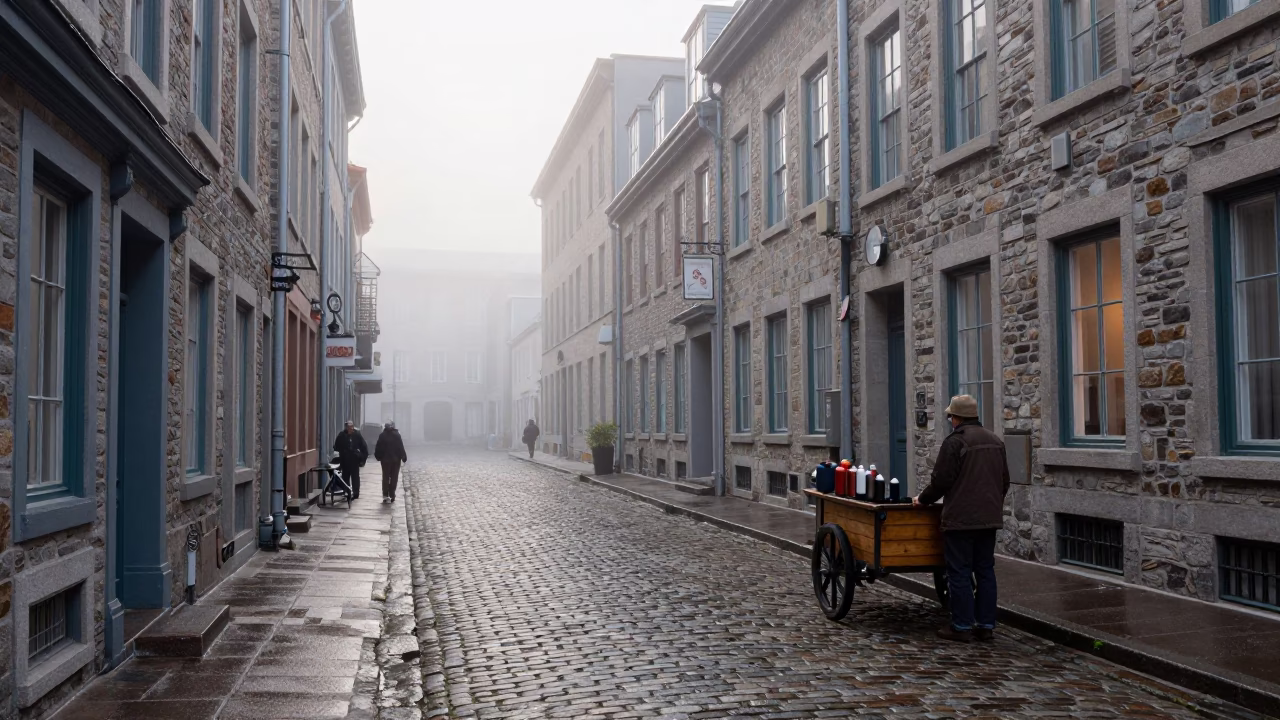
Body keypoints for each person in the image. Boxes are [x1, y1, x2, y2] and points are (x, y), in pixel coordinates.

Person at [913, 395, 1010, 643]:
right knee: (985, 570)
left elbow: (942, 481)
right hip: (989, 518)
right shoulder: (995, 440)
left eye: (950, 416)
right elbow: (1004, 481)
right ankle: (986, 625)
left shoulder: (955, 443)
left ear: (956, 418)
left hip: (961, 518)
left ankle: (961, 625)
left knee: (959, 571)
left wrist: (922, 500)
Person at [333, 420, 369, 500]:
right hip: (344, 460)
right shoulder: (342, 435)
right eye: (348, 427)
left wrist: (362, 458)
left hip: (354, 460)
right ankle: (346, 492)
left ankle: (355, 493)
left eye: (351, 427)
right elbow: (336, 446)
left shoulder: (357, 435)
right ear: (346, 427)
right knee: (345, 477)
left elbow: (364, 447)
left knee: (355, 477)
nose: (350, 429)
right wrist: (341, 452)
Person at [375, 421, 408, 503]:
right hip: (395, 460)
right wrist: (403, 456)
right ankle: (392, 494)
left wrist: (378, 456)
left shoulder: (382, 435)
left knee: (385, 477)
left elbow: (378, 447)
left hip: (385, 461)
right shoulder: (397, 435)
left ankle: (385, 495)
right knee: (394, 477)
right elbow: (401, 447)